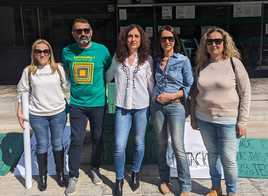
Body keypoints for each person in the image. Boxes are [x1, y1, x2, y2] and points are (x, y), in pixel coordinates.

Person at [192, 26, 251, 196]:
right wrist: (195, 117)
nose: (214, 45)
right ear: (205, 45)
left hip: (228, 121)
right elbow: (196, 93)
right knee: (212, 156)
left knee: (229, 160)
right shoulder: (202, 66)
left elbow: (246, 92)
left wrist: (242, 121)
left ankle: (231, 192)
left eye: (218, 41)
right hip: (204, 119)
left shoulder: (234, 63)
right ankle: (215, 187)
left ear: (225, 43)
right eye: (210, 42)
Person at [62, 18, 111, 195]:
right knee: (76, 140)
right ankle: (73, 175)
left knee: (98, 138)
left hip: (98, 103)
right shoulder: (67, 51)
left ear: (91, 31)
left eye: (86, 30)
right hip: (77, 104)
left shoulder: (102, 51)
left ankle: (95, 169)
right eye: (78, 31)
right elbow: (66, 74)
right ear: (73, 33)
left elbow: (108, 72)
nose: (83, 33)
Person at [106, 24, 154, 196]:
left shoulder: (147, 60)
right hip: (122, 108)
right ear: (125, 39)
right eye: (130, 36)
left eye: (136, 36)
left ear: (141, 40)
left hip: (142, 107)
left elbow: (151, 85)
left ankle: (135, 172)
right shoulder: (117, 58)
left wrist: (153, 108)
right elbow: (108, 77)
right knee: (119, 146)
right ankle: (119, 179)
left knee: (139, 143)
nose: (133, 39)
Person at [17, 39, 67, 191]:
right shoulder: (29, 71)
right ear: (34, 53)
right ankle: (43, 176)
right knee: (42, 145)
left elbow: (66, 87)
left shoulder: (58, 68)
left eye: (46, 51)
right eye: (39, 51)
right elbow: (21, 91)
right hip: (37, 115)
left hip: (58, 113)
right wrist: (19, 111)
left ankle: (60, 174)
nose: (42, 54)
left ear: (50, 53)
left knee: (58, 143)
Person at [151, 25, 193, 196]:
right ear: (159, 41)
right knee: (161, 145)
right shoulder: (155, 60)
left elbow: (190, 85)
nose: (167, 41)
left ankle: (185, 186)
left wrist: (172, 95)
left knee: (177, 145)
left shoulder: (183, 60)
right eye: (163, 38)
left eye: (170, 38)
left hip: (176, 106)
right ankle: (164, 180)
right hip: (157, 107)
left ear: (175, 41)